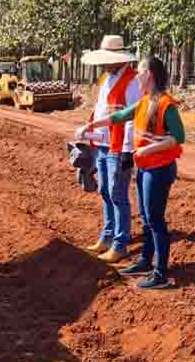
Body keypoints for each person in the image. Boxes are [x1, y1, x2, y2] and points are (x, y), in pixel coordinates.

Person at [78, 55, 185, 289]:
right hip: (145, 167)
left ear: (149, 75)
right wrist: (92, 125)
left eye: (140, 71)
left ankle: (161, 274)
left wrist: (148, 149)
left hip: (159, 169)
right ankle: (145, 261)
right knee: (146, 218)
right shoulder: (145, 101)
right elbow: (119, 116)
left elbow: (179, 137)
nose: (137, 75)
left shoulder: (166, 104)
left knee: (155, 220)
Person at [75, 36, 141, 264]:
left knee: (117, 194)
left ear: (120, 59)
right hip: (101, 143)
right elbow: (101, 110)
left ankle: (120, 244)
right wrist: (89, 131)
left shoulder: (133, 81)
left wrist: (127, 151)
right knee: (105, 192)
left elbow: (133, 117)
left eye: (108, 60)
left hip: (118, 145)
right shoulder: (106, 78)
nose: (104, 64)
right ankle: (107, 236)